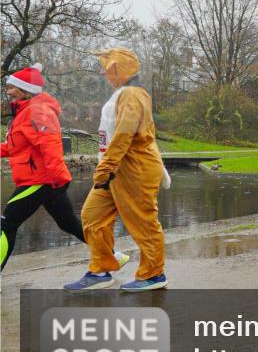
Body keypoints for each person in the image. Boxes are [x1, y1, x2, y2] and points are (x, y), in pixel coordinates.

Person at [0, 64, 128, 271]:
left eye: (11, 87)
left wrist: (57, 179)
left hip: (40, 180)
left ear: (25, 90)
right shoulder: (23, 113)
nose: (7, 90)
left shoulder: (37, 111)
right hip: (44, 180)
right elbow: (13, 147)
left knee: (6, 224)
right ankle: (114, 256)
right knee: (68, 224)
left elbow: (50, 145)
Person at [65, 49, 167, 292]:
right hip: (112, 172)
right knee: (92, 217)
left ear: (118, 69)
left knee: (143, 223)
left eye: (107, 68)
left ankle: (154, 274)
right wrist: (106, 169)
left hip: (134, 170)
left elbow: (125, 134)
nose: (102, 72)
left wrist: (106, 167)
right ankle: (100, 270)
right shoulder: (122, 94)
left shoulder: (133, 94)